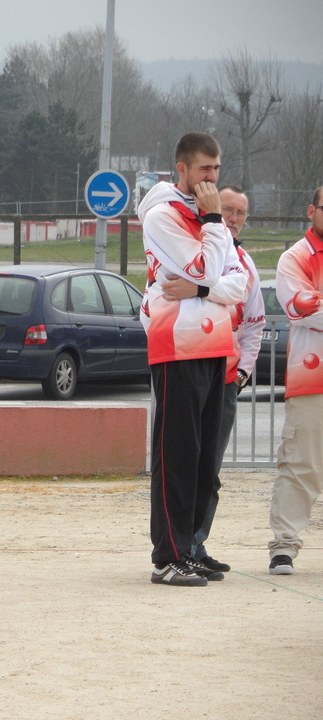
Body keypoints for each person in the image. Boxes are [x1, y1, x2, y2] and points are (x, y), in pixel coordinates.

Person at [138, 132, 247, 587]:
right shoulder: (164, 217)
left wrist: (204, 287)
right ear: (181, 169)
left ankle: (192, 546)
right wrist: (212, 227)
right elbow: (203, 268)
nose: (212, 179)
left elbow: (236, 279)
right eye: (204, 170)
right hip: (176, 343)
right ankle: (168, 555)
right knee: (177, 453)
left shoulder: (207, 219)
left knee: (203, 459)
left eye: (217, 170)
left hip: (216, 345)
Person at [159, 187, 266, 578]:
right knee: (184, 463)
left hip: (225, 378)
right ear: (212, 208)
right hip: (190, 364)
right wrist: (207, 288)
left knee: (209, 470)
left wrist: (242, 373)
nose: (234, 217)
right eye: (227, 209)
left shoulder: (245, 263)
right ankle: (179, 547)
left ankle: (197, 544)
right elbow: (170, 291)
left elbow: (254, 322)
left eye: (241, 212)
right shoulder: (191, 249)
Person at [266, 186, 323, 575]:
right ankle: (284, 546)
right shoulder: (295, 258)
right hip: (311, 377)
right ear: (312, 210)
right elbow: (301, 309)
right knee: (301, 463)